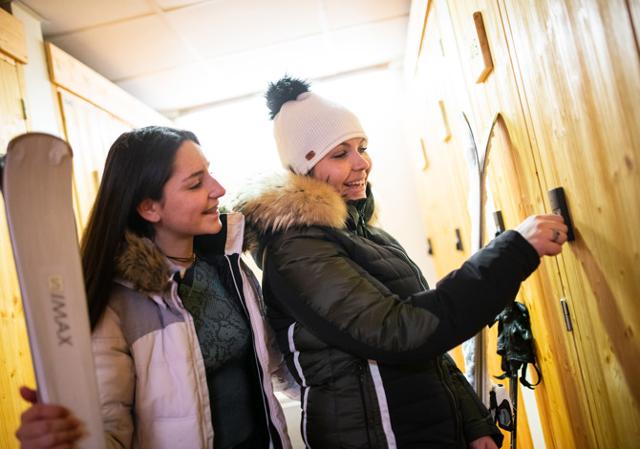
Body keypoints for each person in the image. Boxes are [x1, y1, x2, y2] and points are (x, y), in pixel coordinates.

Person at [233, 77, 569, 449]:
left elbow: (431, 346)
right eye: (340, 154)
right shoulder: (297, 250)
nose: (362, 163)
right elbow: (400, 331)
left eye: (361, 147)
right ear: (304, 170)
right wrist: (514, 251)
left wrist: (472, 423)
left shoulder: (371, 238)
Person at [15, 126, 295, 449]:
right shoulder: (117, 304)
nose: (218, 189)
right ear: (150, 207)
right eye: (195, 183)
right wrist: (67, 440)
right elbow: (110, 429)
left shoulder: (229, 268)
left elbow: (275, 365)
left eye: (210, 174)